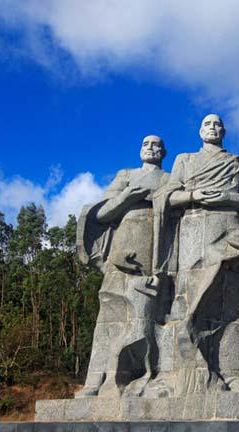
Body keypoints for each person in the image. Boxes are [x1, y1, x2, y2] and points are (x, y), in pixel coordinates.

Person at [144, 114, 239, 397]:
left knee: (230, 304)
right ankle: (180, 375)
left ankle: (232, 374)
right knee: (187, 300)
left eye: (216, 124)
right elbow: (167, 197)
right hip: (192, 233)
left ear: (224, 130)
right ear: (200, 131)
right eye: (207, 124)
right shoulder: (185, 160)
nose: (212, 127)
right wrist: (193, 195)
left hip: (229, 232)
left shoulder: (238, 162)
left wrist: (229, 198)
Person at [75, 135, 169, 398]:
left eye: (156, 145)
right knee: (107, 317)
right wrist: (126, 197)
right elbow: (102, 213)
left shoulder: (169, 178)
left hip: (151, 251)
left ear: (163, 152)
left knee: (143, 317)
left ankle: (130, 377)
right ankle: (95, 380)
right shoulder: (125, 175)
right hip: (120, 249)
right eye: (145, 144)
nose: (150, 148)